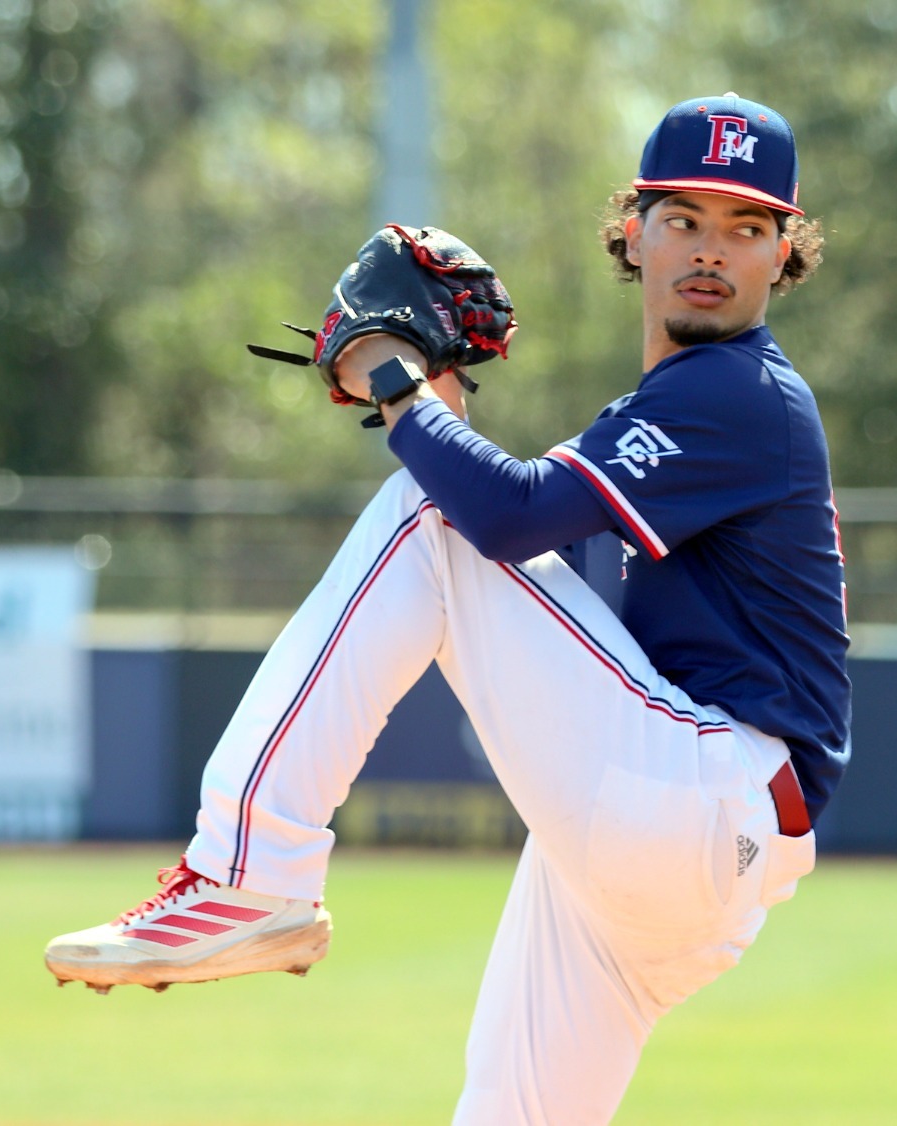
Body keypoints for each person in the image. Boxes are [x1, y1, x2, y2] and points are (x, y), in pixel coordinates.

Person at [45, 93, 848, 1123]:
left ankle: (250, 870)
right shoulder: (689, 400)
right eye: (683, 218)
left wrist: (393, 380)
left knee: (426, 517)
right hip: (679, 837)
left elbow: (499, 521)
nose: (711, 248)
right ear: (633, 233)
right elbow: (525, 533)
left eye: (746, 227)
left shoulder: (737, 393)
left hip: (704, 794)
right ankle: (253, 873)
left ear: (784, 254)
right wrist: (436, 408)